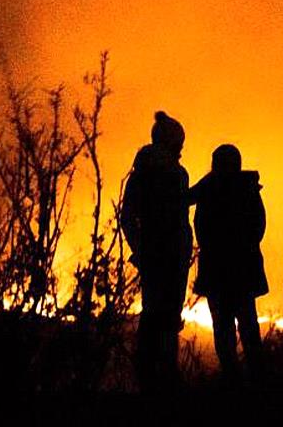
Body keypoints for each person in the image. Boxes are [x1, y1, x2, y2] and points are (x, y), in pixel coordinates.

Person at [121, 110, 192, 392]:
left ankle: (154, 376)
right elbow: (132, 217)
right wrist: (140, 247)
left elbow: (128, 217)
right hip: (168, 253)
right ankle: (160, 377)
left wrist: (138, 247)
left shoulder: (143, 173)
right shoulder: (172, 173)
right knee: (162, 316)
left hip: (159, 252)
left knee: (157, 314)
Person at [188, 144, 268, 382]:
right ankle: (255, 377)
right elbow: (258, 227)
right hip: (243, 269)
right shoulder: (248, 189)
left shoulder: (209, 189)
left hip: (217, 270)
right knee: (247, 325)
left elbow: (199, 223)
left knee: (224, 327)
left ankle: (234, 378)